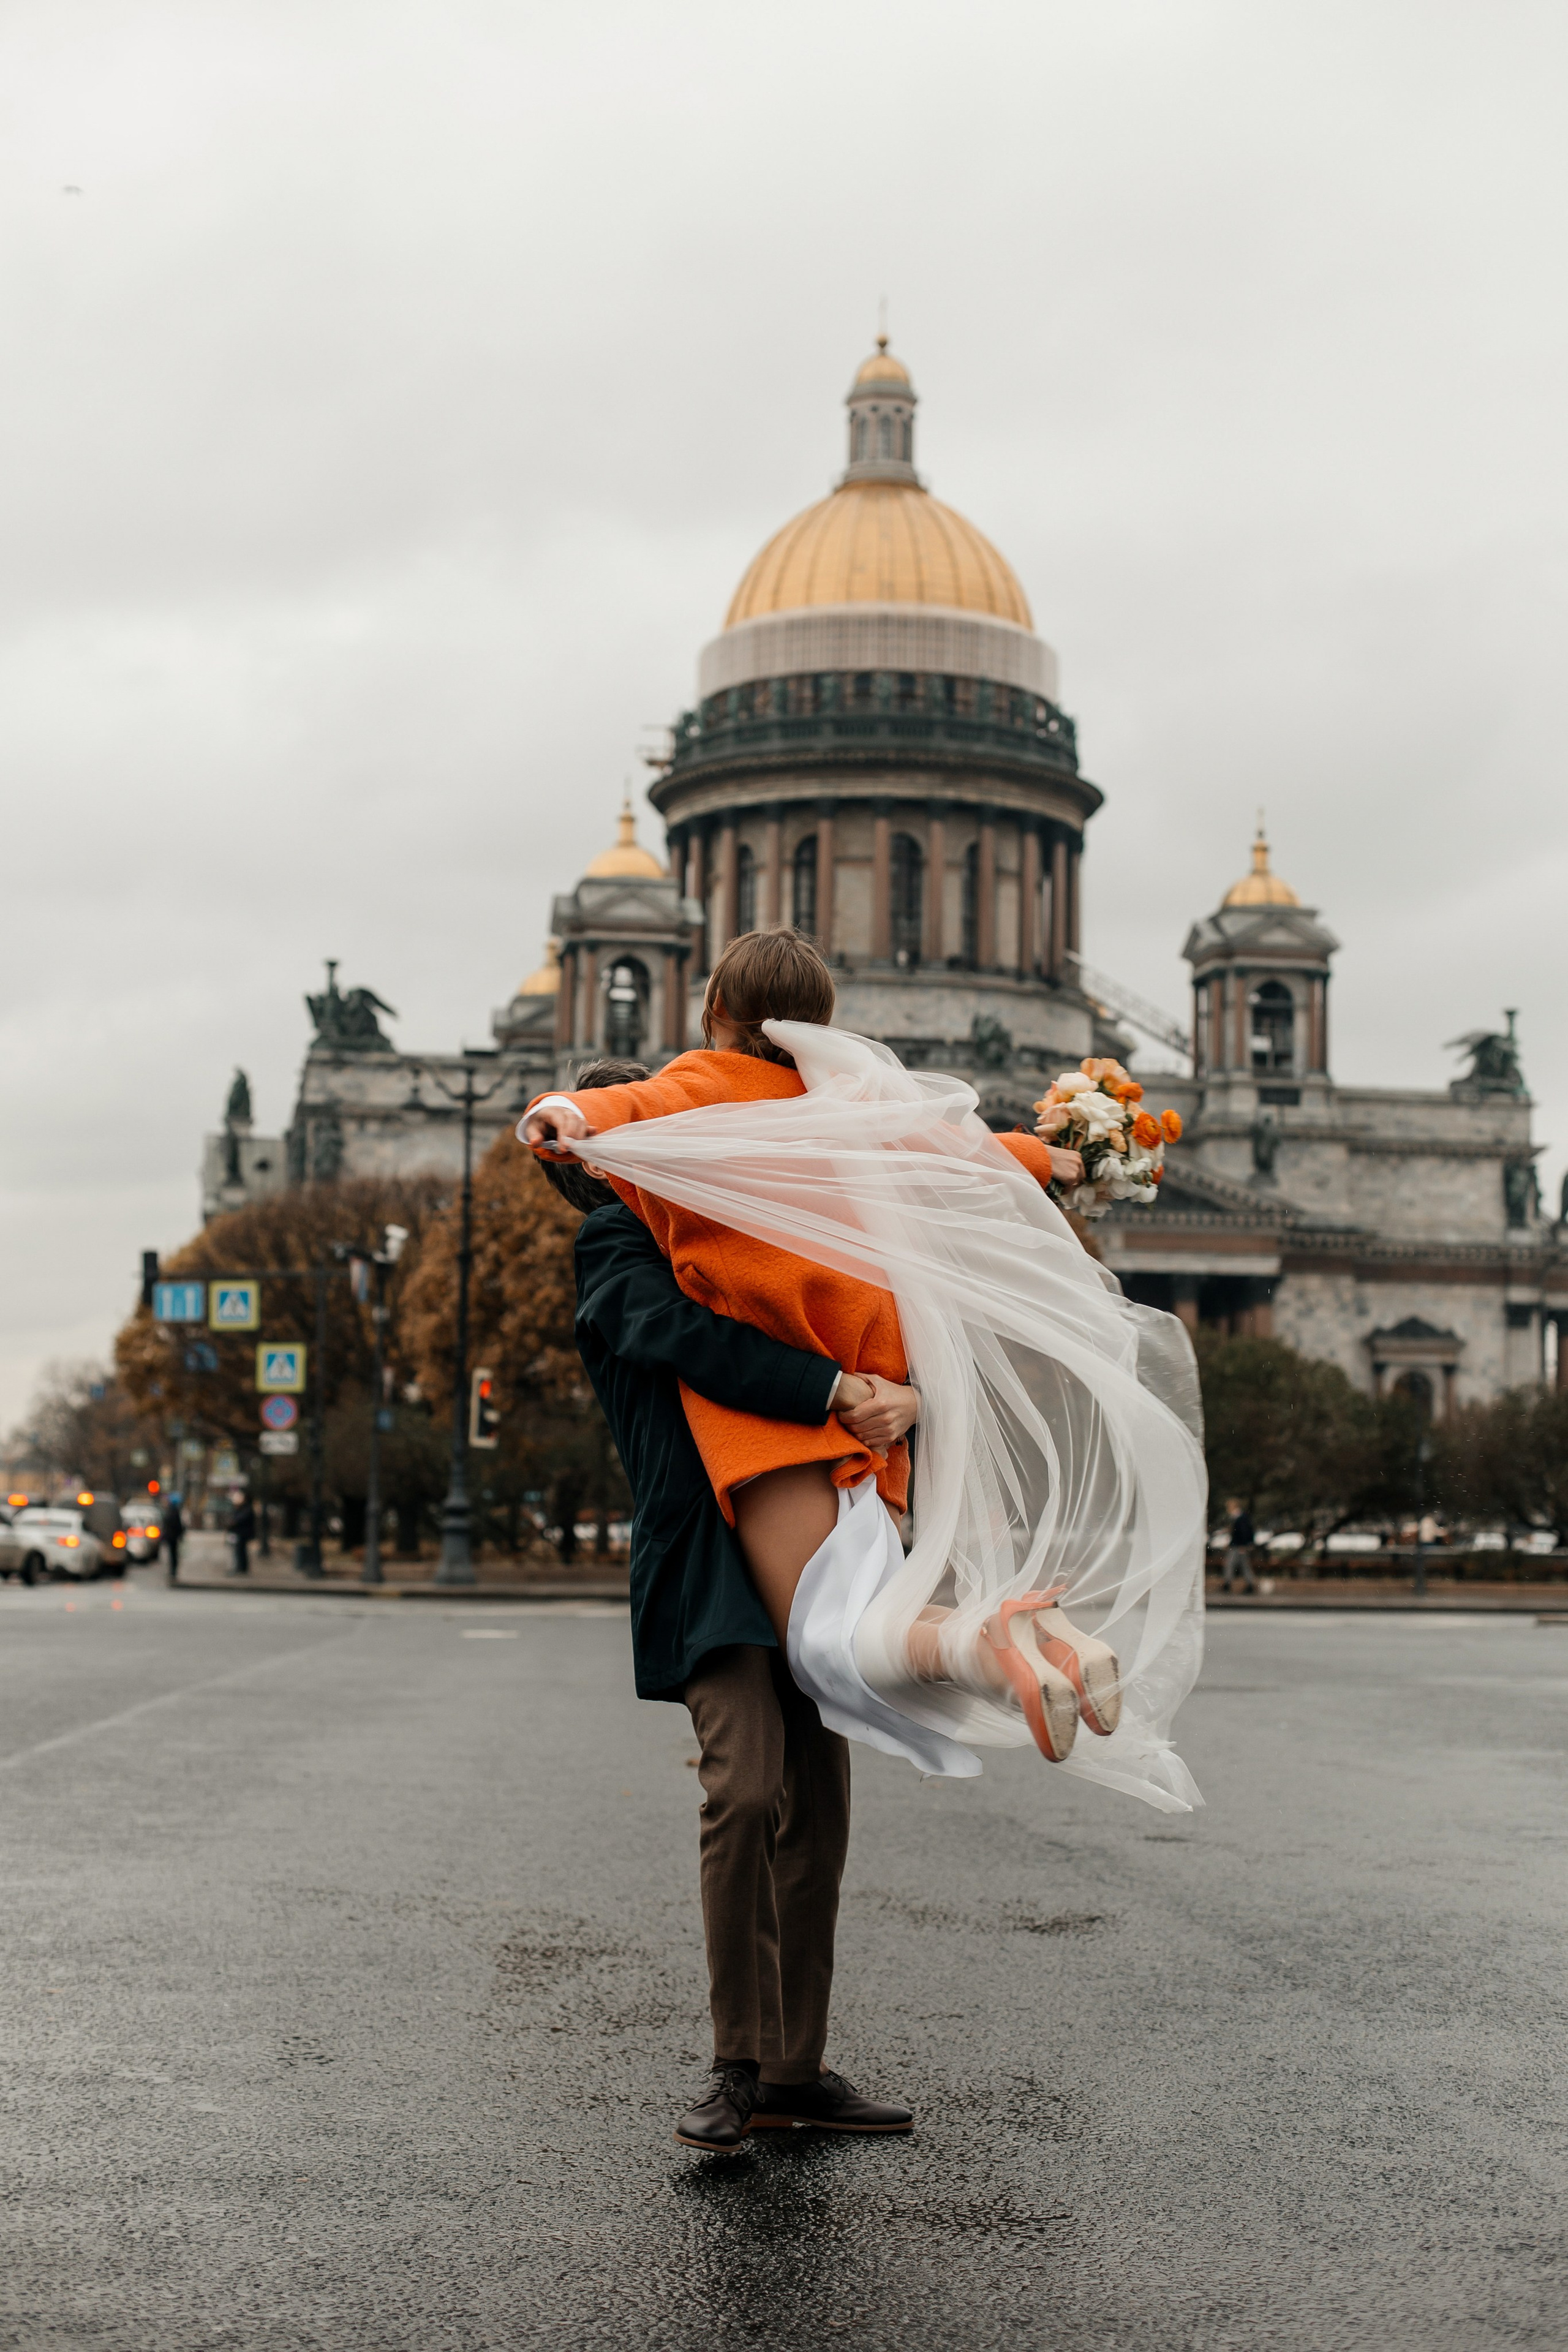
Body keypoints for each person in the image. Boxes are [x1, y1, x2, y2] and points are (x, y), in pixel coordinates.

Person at [521, 930, 1145, 1782]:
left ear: (714, 1011)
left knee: (832, 1642)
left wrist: (563, 1115)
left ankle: (993, 1638)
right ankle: (1034, 1636)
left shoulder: (705, 1086)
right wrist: (1048, 1160)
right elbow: (954, 1153)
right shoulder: (848, 1110)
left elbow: (634, 1108)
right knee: (866, 1619)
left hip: (784, 1418)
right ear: (822, 1021)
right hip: (872, 1398)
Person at [540, 1057, 919, 2153]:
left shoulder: (754, 1236)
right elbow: (686, 1341)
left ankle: (798, 2068)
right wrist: (833, 1389)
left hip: (805, 1543)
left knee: (820, 1808)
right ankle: (737, 2060)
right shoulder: (616, 1248)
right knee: (747, 1792)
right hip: (708, 1557)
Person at [1221, 1499, 1258, 1594]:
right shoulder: (1240, 1517)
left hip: (1239, 1546)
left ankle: (1227, 1584)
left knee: (1231, 1564)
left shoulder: (1240, 1518)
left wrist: (1243, 1545)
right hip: (1239, 1545)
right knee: (1244, 1565)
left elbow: (1244, 1532)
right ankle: (1249, 1584)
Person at [227, 1493, 256, 1578]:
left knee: (240, 1551)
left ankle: (242, 1568)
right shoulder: (244, 1509)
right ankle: (242, 1567)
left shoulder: (247, 1509)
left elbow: (240, 1519)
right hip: (241, 1533)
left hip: (243, 1533)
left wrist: (233, 1523)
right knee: (240, 1551)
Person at [161, 1493, 184, 1585]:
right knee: (173, 1555)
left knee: (173, 1555)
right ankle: (173, 1571)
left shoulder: (172, 1511)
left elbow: (171, 1525)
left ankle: (173, 1571)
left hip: (172, 1537)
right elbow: (178, 1525)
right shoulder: (174, 1511)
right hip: (173, 1537)